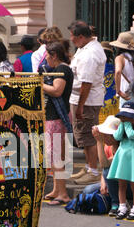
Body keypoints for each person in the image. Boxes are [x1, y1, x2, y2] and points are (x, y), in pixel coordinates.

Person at [68, 20, 107, 185]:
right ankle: (88, 166)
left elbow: (86, 83)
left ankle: (93, 170)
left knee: (88, 136)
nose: (71, 39)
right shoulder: (85, 48)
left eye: (72, 36)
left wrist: (81, 106)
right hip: (82, 98)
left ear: (81, 37)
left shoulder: (89, 54)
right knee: (82, 135)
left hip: (86, 100)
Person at [90, 115, 134, 217]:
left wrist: (98, 141)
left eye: (107, 135)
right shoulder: (108, 146)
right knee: (88, 190)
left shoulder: (125, 147)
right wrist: (103, 182)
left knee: (108, 171)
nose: (104, 136)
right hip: (116, 181)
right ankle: (114, 199)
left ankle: (116, 203)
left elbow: (105, 165)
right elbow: (104, 168)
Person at [43, 42, 74, 206]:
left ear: (54, 55)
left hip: (57, 117)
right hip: (54, 116)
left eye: (47, 55)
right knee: (56, 156)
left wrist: (39, 84)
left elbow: (57, 90)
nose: (46, 58)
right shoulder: (58, 69)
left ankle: (63, 193)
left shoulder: (63, 70)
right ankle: (56, 189)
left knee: (56, 157)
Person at [110, 32, 134, 113]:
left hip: (127, 94)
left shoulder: (120, 58)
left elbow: (118, 72)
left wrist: (118, 91)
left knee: (125, 121)